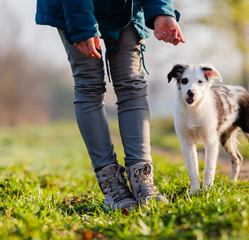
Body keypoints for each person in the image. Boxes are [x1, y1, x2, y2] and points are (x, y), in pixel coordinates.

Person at [35, 0, 185, 211]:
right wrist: (82, 26)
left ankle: (141, 178)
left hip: (125, 6)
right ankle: (111, 184)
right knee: (89, 83)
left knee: (132, 82)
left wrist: (162, 12)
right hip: (73, 5)